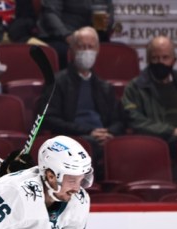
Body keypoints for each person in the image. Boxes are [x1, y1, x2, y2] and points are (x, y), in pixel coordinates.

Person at [44, 26, 123, 178]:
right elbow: (49, 118)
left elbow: (118, 120)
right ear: (72, 50)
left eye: (90, 47)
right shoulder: (57, 82)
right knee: (89, 144)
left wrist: (109, 132)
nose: (86, 51)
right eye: (81, 47)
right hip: (74, 137)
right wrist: (88, 131)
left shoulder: (104, 86)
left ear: (97, 50)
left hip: (101, 136)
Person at [37, 0, 114, 69]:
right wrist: (66, 36)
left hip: (95, 36)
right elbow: (51, 14)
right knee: (63, 52)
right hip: (63, 36)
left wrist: (107, 22)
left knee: (113, 52)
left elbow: (110, 15)